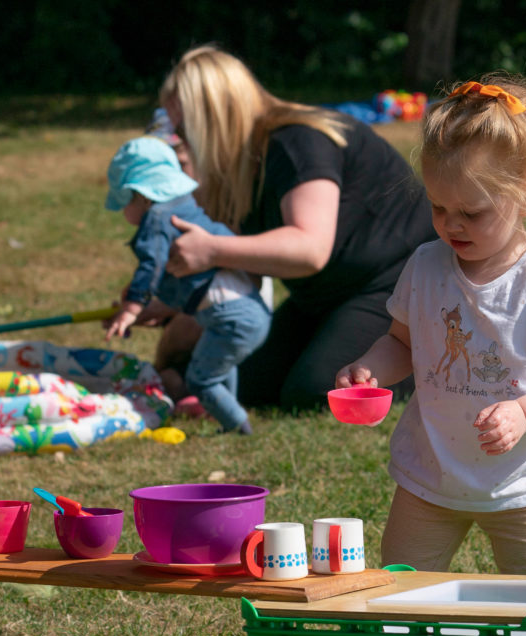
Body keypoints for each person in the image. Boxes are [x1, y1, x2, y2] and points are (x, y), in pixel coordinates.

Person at [335, 75, 526, 576]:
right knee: (400, 592)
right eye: (438, 207)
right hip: (430, 476)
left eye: (471, 212)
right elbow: (401, 342)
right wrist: (371, 368)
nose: (451, 224)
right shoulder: (425, 266)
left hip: (524, 482)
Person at [156, 45, 438, 411]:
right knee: (246, 386)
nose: (180, 142)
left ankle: (435, 367)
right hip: (323, 297)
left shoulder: (297, 140)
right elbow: (251, 265)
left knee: (316, 391)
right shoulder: (243, 166)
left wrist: (211, 250)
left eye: (183, 129)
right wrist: (177, 300)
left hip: (395, 285)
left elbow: (308, 249)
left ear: (211, 118)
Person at [104, 137, 270, 435]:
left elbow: (150, 266)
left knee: (202, 379)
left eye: (123, 203)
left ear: (140, 196)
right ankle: (230, 417)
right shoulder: (186, 207)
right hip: (253, 312)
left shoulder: (156, 218)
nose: (123, 213)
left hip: (232, 318)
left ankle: (238, 427)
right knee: (221, 367)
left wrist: (131, 308)